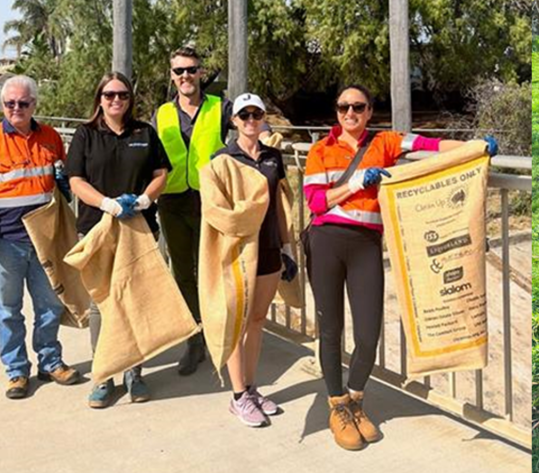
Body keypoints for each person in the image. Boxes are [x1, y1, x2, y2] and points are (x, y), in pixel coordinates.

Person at [303, 84, 498, 450]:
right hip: (327, 240)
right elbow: (315, 202)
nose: (350, 114)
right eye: (343, 107)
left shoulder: (386, 142)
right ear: (336, 112)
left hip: (365, 245)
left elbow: (433, 147)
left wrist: (477, 147)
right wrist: (356, 183)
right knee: (330, 329)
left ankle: (356, 400)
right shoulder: (321, 149)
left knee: (368, 332)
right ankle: (337, 407)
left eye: (358, 107)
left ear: (369, 110)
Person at [152, 46, 274, 375]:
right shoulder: (162, 113)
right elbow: (150, 154)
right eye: (179, 71)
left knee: (214, 271)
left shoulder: (220, 107)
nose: (185, 76)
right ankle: (195, 338)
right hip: (173, 200)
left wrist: (271, 140)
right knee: (183, 272)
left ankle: (220, 330)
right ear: (172, 75)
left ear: (201, 73)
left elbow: (252, 120)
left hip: (214, 201)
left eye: (191, 69)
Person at [0, 75, 82, 398]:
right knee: (8, 310)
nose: (16, 108)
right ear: (2, 106)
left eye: (23, 103)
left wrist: (65, 182)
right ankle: (16, 372)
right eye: (9, 103)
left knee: (49, 306)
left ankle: (50, 361)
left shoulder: (51, 137)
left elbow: (63, 188)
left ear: (34, 105)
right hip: (4, 242)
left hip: (44, 240)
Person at [67, 72, 171, 408]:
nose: (116, 101)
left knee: (134, 300)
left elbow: (160, 175)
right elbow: (76, 180)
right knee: (101, 302)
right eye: (109, 94)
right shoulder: (85, 134)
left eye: (122, 95)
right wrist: (106, 204)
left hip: (138, 226)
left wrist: (144, 200)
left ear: (130, 99)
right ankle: (103, 375)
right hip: (98, 227)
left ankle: (134, 373)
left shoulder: (144, 132)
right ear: (99, 98)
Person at [204, 93, 296, 428]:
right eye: (244, 115)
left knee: (257, 320)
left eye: (257, 114)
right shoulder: (222, 159)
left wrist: (287, 248)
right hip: (239, 254)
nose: (251, 120)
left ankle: (251, 388)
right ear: (233, 121)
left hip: (270, 248)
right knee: (237, 322)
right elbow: (216, 211)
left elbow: (280, 207)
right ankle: (238, 395)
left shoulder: (273, 157)